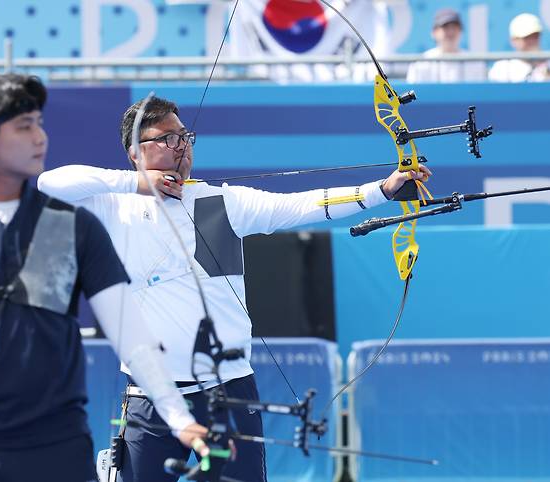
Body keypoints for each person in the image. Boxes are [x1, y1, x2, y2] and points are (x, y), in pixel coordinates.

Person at [37, 96, 431, 482]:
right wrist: (137, 183)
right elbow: (46, 183)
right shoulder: (111, 205)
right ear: (134, 153)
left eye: (184, 136)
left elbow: (306, 204)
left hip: (228, 393)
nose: (182, 147)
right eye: (167, 138)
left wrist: (383, 189)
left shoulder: (219, 202)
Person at [0, 75, 208, 482]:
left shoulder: (76, 227)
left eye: (39, 122)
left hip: (61, 448)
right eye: (23, 127)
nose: (39, 137)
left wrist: (177, 417)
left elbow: (129, 331)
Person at [406, 8, 486, 83]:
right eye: (446, 28)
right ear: (434, 32)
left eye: (454, 27)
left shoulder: (475, 63)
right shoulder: (421, 64)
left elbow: (481, 95)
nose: (451, 32)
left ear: (461, 31)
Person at [489, 13, 549, 82]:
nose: (531, 41)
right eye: (526, 38)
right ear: (513, 40)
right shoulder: (502, 69)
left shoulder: (548, 65)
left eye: (535, 36)